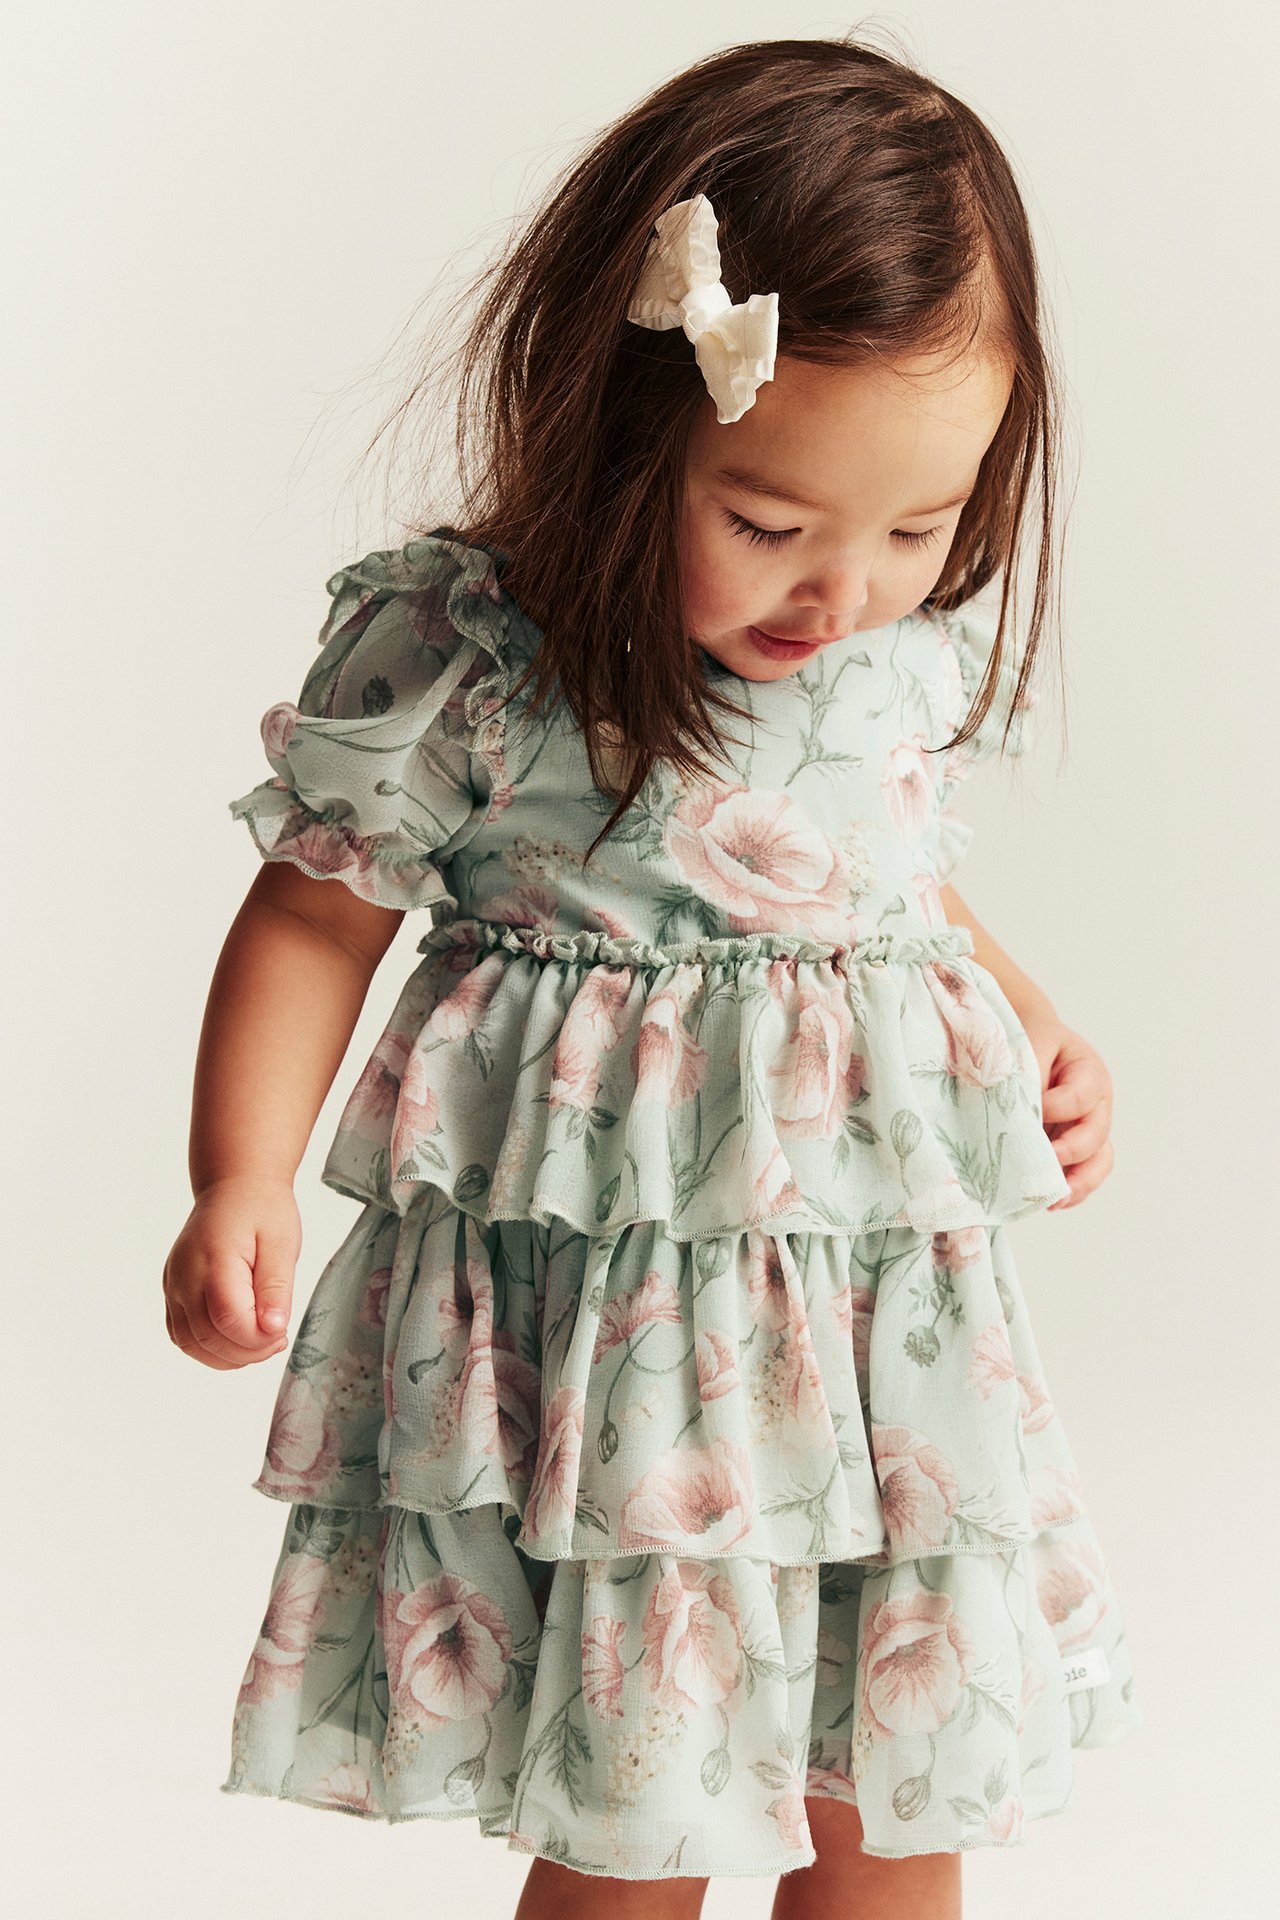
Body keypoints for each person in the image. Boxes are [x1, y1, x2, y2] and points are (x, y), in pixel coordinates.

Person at [164, 33, 1142, 1920]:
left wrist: (1033, 1025)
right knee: (634, 1802)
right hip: (618, 1372)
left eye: (919, 529)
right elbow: (315, 910)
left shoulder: (882, 660)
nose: (839, 590)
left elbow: (887, 889)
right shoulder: (476, 656)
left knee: (891, 1792)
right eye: (769, 521)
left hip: (876, 1351)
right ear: (624, 433)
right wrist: (239, 1170)